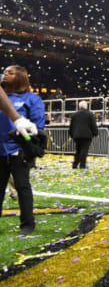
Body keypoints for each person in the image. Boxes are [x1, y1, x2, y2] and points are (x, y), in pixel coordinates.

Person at [0, 65, 44, 235]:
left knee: (22, 187)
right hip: (0, 149)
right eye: (4, 72)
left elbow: (37, 127)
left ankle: (27, 224)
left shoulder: (31, 99)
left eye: (10, 73)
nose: (5, 74)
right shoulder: (2, 96)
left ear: (21, 77)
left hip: (19, 150)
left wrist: (29, 148)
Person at [69, 100, 98, 169]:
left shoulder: (74, 115)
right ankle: (82, 165)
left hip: (77, 135)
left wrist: (71, 134)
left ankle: (75, 164)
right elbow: (93, 125)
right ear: (86, 106)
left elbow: (71, 126)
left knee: (78, 150)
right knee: (84, 150)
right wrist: (96, 133)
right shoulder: (90, 114)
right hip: (87, 135)